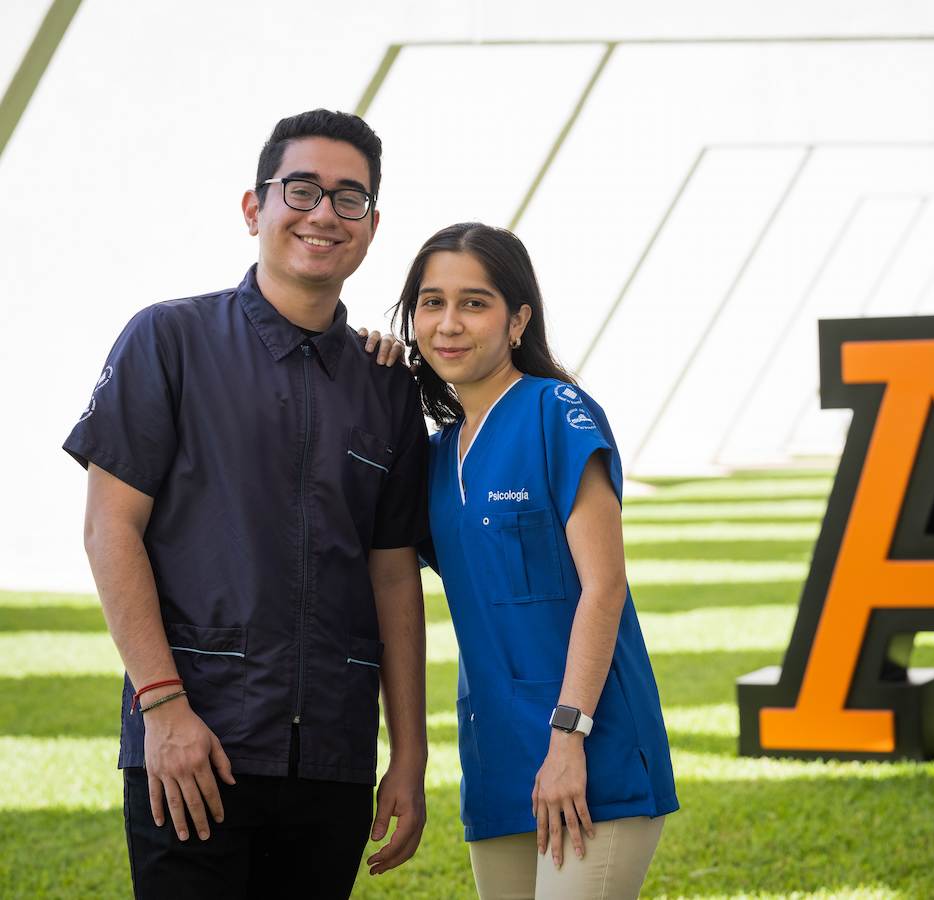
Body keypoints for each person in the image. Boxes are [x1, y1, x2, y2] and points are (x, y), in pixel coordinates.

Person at [63, 109, 429, 899]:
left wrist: (409, 757)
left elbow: (395, 577)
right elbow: (108, 529)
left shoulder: (388, 386)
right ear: (253, 208)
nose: (324, 213)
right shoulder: (167, 341)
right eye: (302, 189)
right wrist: (162, 709)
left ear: (371, 226)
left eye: (350, 197)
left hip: (332, 754)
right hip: (195, 746)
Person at [364, 222, 678, 899]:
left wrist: (568, 740)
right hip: (496, 757)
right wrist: (366, 366)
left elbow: (605, 586)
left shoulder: (554, 412)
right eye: (431, 302)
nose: (449, 323)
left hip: (591, 753)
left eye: (474, 303)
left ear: (518, 320)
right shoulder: (436, 459)